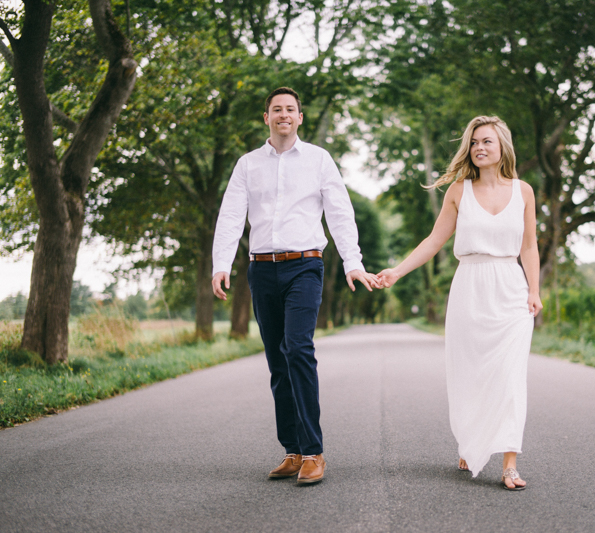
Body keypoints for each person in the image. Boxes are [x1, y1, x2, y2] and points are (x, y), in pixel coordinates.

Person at [212, 87, 380, 485]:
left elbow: (340, 213)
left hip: (305, 265)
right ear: (266, 117)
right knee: (276, 360)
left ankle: (314, 452)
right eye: (276, 110)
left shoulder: (320, 160)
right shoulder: (248, 164)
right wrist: (221, 264)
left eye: (290, 109)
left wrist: (353, 263)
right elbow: (232, 214)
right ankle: (292, 450)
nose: (283, 115)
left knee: (298, 349)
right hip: (261, 269)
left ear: (300, 118)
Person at [378, 116, 542, 490]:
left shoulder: (524, 191)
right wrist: (397, 271)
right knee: (471, 374)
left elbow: (529, 246)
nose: (479, 148)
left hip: (511, 290)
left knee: (510, 377)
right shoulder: (458, 191)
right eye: (473, 143)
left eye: (486, 141)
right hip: (470, 286)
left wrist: (534, 290)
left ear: (502, 146)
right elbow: (434, 241)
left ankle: (509, 463)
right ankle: (471, 441)